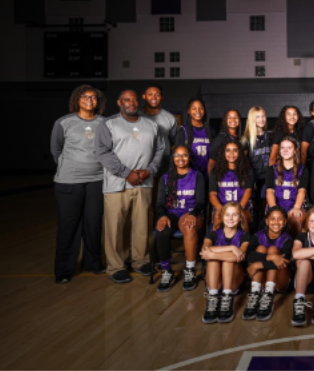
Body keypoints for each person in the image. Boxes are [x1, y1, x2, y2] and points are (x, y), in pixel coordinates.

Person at [95, 89, 165, 284]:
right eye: (127, 99)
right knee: (115, 226)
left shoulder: (151, 125)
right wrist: (126, 173)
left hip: (144, 183)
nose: (131, 103)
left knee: (142, 225)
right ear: (119, 102)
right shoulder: (108, 124)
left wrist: (149, 170)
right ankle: (116, 266)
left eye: (134, 99)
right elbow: (102, 152)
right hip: (117, 184)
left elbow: (160, 149)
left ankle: (140, 260)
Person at [51, 84, 107, 284]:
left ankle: (93, 263)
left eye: (93, 98)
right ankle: (64, 269)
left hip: (97, 181)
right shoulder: (64, 123)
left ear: (98, 102)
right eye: (85, 97)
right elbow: (56, 150)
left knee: (93, 224)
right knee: (69, 225)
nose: (89, 100)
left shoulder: (104, 123)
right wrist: (73, 167)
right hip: (69, 181)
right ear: (77, 100)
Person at [154, 145, 205, 292]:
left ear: (189, 157)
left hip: (191, 212)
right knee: (161, 230)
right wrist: (162, 216)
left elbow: (201, 201)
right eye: (177, 155)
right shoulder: (166, 177)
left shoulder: (197, 175)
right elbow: (160, 203)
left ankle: (190, 270)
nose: (180, 158)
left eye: (184, 155)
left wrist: (193, 213)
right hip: (172, 213)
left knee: (189, 227)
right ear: (173, 158)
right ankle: (166, 271)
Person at [200, 202, 250, 324]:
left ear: (240, 218)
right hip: (214, 282)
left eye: (234, 215)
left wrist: (213, 253)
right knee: (214, 260)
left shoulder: (246, 236)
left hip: (234, 282)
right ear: (222, 217)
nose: (230, 218)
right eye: (227, 215)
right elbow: (204, 250)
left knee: (226, 260)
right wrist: (232, 248)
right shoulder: (212, 234)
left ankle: (227, 298)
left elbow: (240, 256)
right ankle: (213, 298)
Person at [244, 206, 293, 321]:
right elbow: (249, 255)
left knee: (273, 249)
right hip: (261, 280)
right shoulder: (257, 236)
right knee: (261, 248)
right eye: (272, 219)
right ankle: (255, 294)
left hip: (279, 282)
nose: (276, 222)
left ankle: (268, 295)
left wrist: (257, 265)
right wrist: (271, 257)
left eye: (280, 219)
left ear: (285, 222)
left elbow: (283, 262)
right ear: (266, 221)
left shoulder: (288, 239)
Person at [266, 136, 309, 237]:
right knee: (274, 220)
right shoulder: (272, 169)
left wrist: (296, 208)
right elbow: (270, 192)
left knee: (297, 218)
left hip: (295, 205)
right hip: (277, 205)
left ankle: (296, 247)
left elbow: (302, 191)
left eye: (289, 148)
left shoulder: (303, 170)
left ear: (295, 151)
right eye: (282, 148)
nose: (285, 150)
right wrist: (274, 210)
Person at [209, 140, 254, 230]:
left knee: (242, 218)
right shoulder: (215, 172)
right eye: (228, 150)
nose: (231, 153)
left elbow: (248, 192)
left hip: (242, 206)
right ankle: (217, 243)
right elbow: (212, 195)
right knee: (217, 219)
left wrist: (238, 210)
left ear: (240, 153)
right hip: (222, 206)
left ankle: (244, 243)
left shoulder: (248, 171)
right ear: (223, 153)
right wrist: (221, 210)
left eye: (235, 150)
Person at [139, 84, 178, 180]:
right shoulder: (136, 116)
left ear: (161, 98)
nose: (154, 97)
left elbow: (172, 140)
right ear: (144, 96)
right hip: (141, 164)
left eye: (157, 95)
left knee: (161, 193)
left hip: (163, 163)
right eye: (150, 94)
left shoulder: (170, 118)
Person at [241, 106, 270, 227]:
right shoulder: (246, 140)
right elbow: (243, 163)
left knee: (265, 207)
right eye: (258, 117)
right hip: (253, 178)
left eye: (263, 116)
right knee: (255, 208)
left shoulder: (270, 136)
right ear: (252, 119)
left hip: (267, 176)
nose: (261, 119)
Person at [175, 98, 213, 187]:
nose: (198, 111)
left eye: (201, 108)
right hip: (190, 174)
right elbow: (176, 155)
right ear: (188, 111)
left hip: (208, 174)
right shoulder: (183, 130)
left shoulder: (210, 130)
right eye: (194, 108)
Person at [208, 109, 243, 174]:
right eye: (229, 117)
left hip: (236, 177)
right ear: (225, 120)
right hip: (223, 178)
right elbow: (211, 163)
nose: (233, 119)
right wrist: (212, 182)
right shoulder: (220, 139)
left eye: (236, 117)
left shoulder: (240, 139)